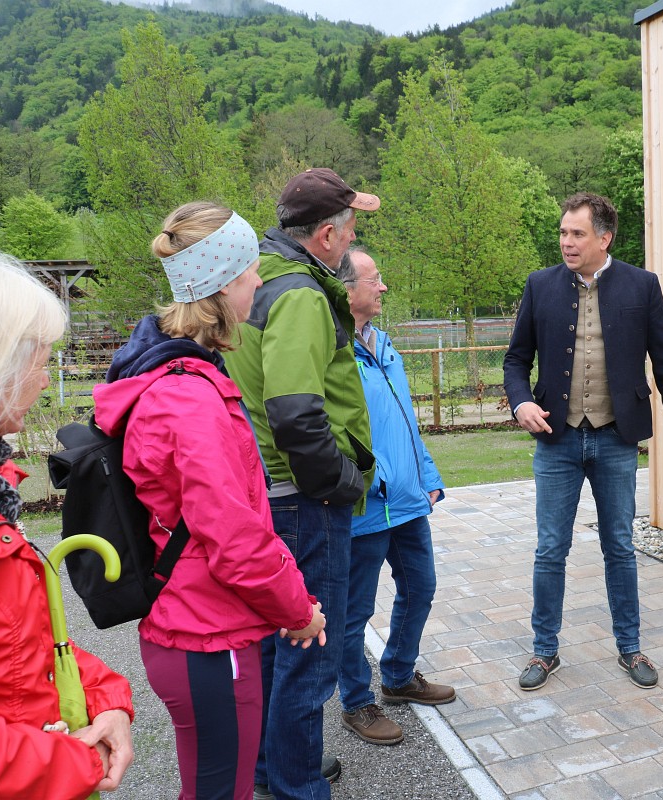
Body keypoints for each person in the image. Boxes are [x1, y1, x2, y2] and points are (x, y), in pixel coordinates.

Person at [93, 202, 327, 800]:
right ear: (222, 285)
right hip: (206, 637)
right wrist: (299, 611)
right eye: (250, 271)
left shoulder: (173, 377)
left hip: (195, 626)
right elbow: (234, 537)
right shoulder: (188, 399)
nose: (258, 280)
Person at [221, 169, 378, 800]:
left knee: (274, 640)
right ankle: (297, 784)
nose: (353, 239)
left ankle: (275, 766)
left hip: (268, 487)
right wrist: (338, 483)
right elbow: (294, 411)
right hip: (301, 497)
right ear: (327, 236)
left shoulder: (258, 278)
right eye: (350, 229)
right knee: (309, 648)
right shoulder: (301, 294)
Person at [503, 192, 663, 692]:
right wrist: (521, 402)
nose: (566, 242)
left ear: (604, 238)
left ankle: (630, 647)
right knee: (550, 549)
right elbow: (516, 359)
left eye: (577, 233)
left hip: (616, 438)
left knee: (620, 547)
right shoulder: (540, 285)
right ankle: (544, 651)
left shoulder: (641, 285)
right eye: (563, 232)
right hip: (557, 438)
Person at [0, 247, 134, 800]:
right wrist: (82, 762)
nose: (43, 381)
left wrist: (107, 701)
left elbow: (24, 649)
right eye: (36, 362)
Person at [335, 247, 454, 747]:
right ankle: (356, 702)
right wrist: (371, 476)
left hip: (406, 500)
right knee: (354, 612)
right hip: (365, 505)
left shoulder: (383, 345)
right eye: (374, 279)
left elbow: (406, 421)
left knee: (421, 587)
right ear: (347, 290)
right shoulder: (333, 352)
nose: (383, 287)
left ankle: (399, 677)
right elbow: (332, 431)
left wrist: (427, 473)